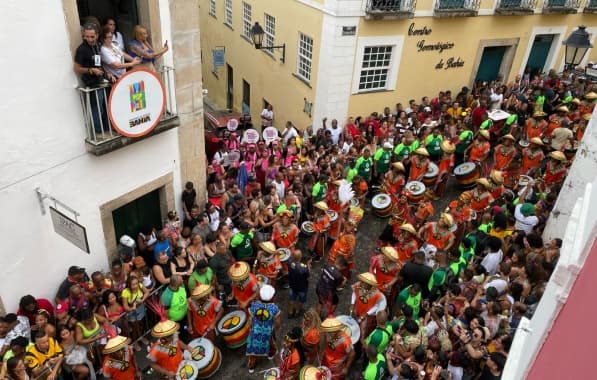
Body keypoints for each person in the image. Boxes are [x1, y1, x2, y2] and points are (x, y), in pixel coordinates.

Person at [246, 284, 281, 373]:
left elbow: (250, 319)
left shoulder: (254, 305)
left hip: (255, 330)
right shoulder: (274, 308)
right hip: (267, 330)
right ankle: (270, 354)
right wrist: (276, 328)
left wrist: (250, 328)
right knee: (270, 342)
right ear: (272, 297)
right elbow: (278, 322)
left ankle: (251, 366)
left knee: (252, 349)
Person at [350, 272, 387, 339]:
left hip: (367, 314)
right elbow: (354, 293)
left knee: (363, 329)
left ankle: (360, 340)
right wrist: (352, 304)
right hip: (357, 308)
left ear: (369, 285)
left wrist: (366, 314)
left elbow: (376, 306)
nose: (361, 283)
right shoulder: (358, 285)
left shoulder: (377, 294)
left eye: (363, 282)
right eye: (362, 281)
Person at [121, 276, 149, 351]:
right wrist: (132, 309)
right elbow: (125, 306)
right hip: (132, 312)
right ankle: (135, 342)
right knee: (134, 328)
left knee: (141, 324)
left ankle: (141, 337)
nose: (136, 286)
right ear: (129, 285)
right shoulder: (125, 292)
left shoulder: (140, 285)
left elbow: (147, 292)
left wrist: (142, 300)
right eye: (133, 284)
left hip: (141, 308)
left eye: (136, 283)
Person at [287, 249, 311, 319]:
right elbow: (308, 275)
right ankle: (297, 311)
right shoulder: (303, 268)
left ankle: (290, 313)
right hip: (302, 287)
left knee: (291, 299)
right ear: (300, 257)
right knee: (301, 300)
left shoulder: (289, 262)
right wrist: (308, 264)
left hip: (292, 285)